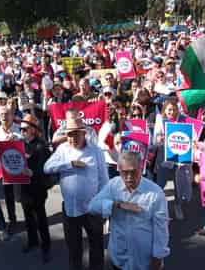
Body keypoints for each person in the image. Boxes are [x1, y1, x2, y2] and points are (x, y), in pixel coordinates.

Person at [44, 117, 109, 270]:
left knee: (96, 246)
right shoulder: (63, 149)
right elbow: (46, 167)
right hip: (71, 209)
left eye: (75, 134)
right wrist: (69, 164)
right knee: (74, 248)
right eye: (69, 134)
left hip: (93, 208)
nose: (71, 138)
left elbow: (104, 179)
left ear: (83, 133)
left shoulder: (96, 151)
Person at [88, 152, 170, 270]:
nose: (129, 177)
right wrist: (116, 204)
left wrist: (157, 258)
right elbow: (92, 206)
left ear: (141, 168)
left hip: (143, 260)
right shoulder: (113, 185)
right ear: (119, 170)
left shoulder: (155, 193)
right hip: (119, 257)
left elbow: (161, 229)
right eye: (125, 172)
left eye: (133, 172)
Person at [19, 114, 52, 263]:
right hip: (23, 187)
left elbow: (47, 168)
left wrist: (33, 173)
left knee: (40, 219)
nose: (22, 131)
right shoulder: (18, 144)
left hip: (37, 187)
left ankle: (46, 246)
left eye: (25, 128)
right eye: (21, 129)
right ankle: (32, 241)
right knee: (28, 217)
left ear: (33, 129)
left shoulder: (42, 146)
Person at [0, 105, 21, 234]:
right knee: (9, 195)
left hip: (19, 167)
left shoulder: (19, 130)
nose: (4, 117)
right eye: (1, 114)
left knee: (22, 195)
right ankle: (12, 219)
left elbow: (28, 146)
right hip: (4, 168)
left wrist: (17, 140)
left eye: (7, 114)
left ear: (12, 115)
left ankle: (31, 219)